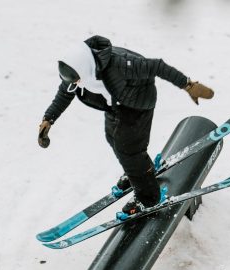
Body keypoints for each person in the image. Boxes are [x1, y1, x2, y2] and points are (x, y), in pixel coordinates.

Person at [38, 35, 214, 215]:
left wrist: (189, 85)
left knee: (128, 148)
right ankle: (137, 174)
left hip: (138, 103)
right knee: (112, 138)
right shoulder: (78, 68)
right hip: (115, 105)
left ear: (84, 69)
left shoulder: (120, 65)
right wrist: (48, 119)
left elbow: (157, 66)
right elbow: (65, 93)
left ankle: (150, 198)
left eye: (75, 79)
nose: (74, 83)